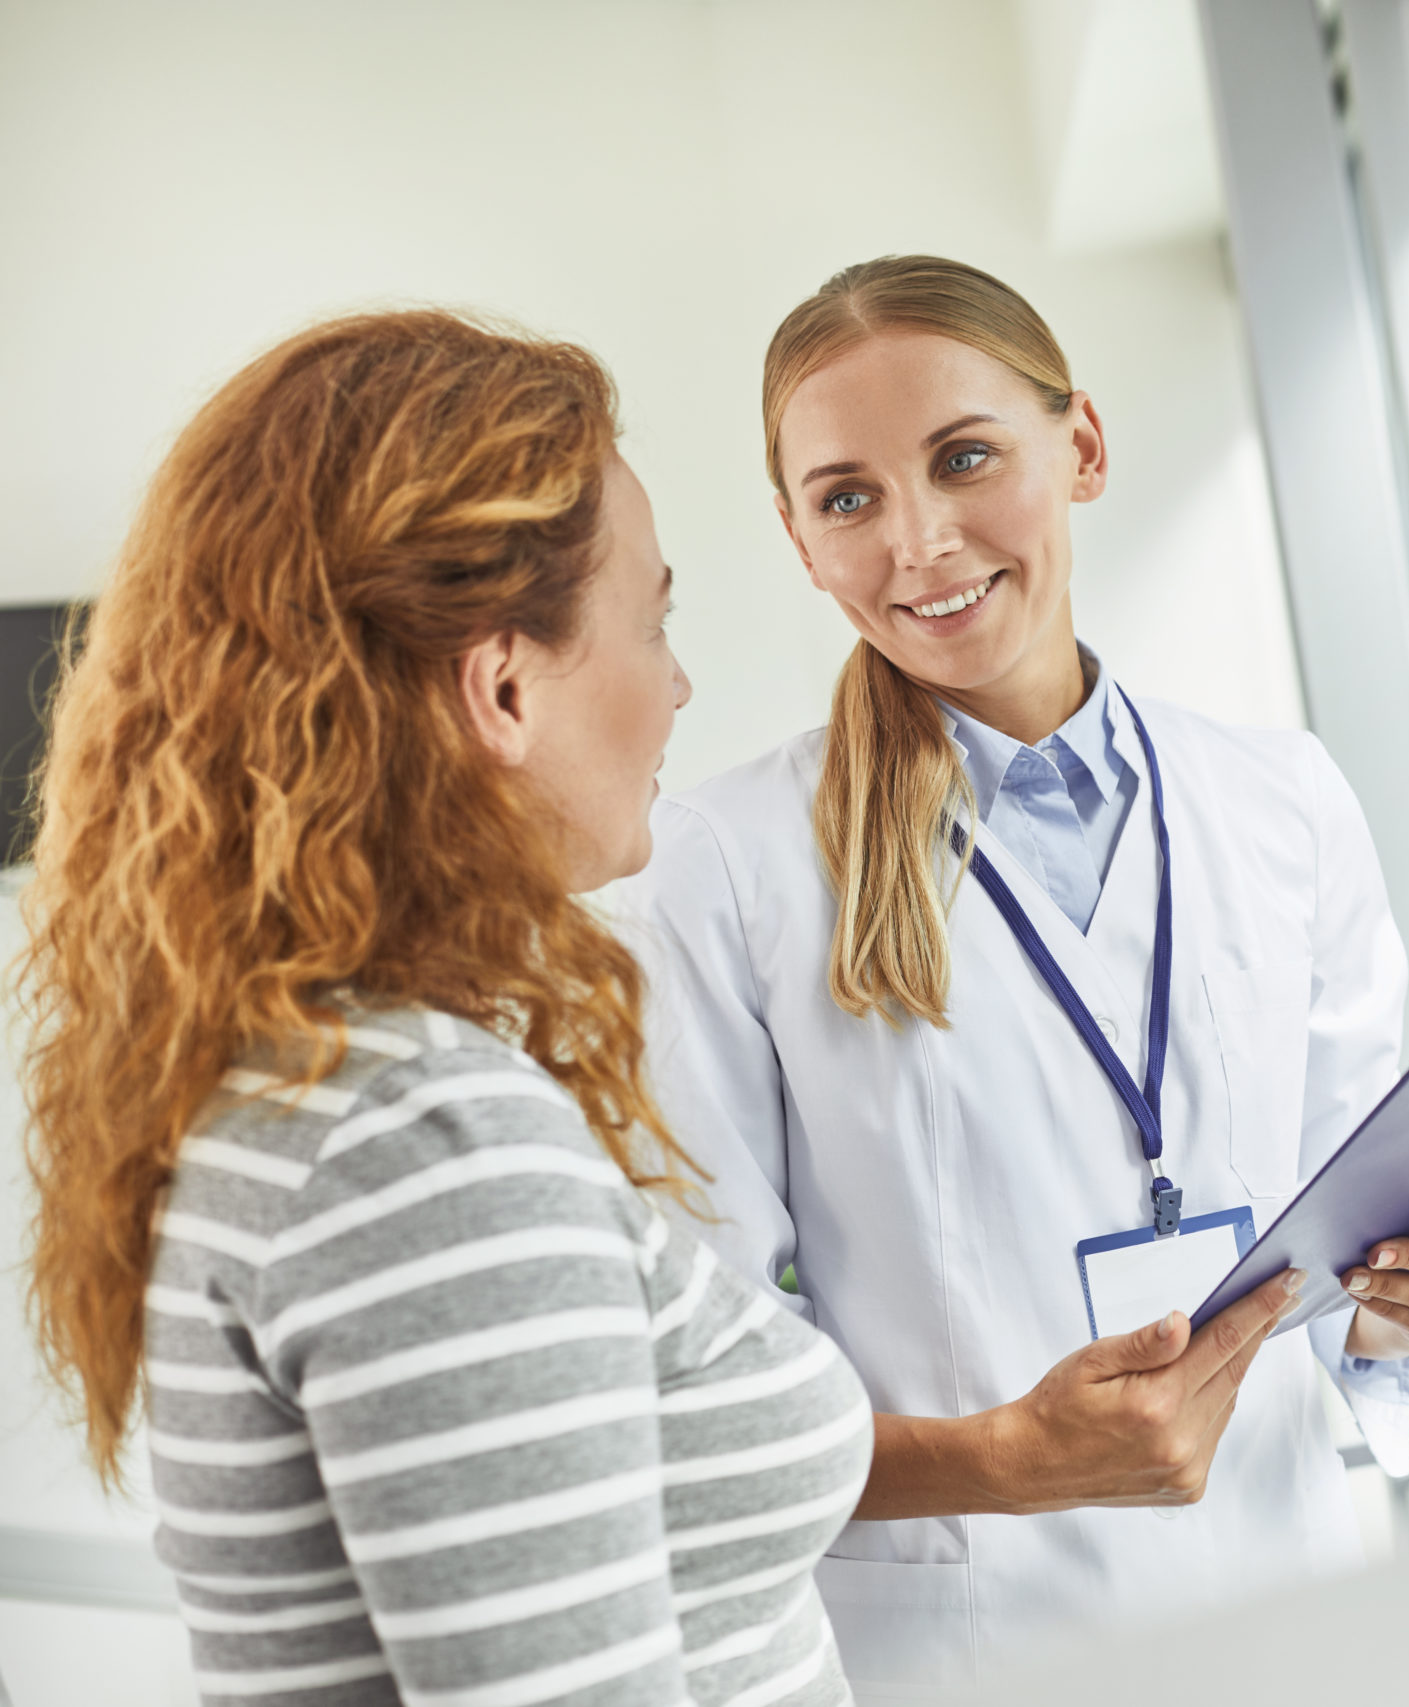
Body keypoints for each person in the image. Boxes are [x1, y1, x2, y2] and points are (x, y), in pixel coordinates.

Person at [618, 255, 1409, 1691]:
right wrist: (1002, 1464)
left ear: (1085, 449)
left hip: (1291, 1613)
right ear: (801, 543)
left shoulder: (1284, 802)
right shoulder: (722, 865)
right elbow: (709, 1392)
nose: (919, 541)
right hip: (973, 1650)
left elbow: (1343, 1244)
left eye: (965, 458)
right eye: (847, 497)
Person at [19, 311, 873, 1706]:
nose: (677, 685)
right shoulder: (422, 1142)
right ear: (502, 684)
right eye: (651, 621)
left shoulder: (328, 1090)